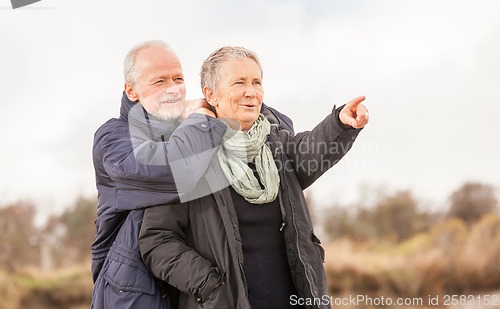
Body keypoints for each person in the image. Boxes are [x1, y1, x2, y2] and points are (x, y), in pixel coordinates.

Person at [139, 46, 369, 309]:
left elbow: (310, 151)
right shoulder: (188, 154)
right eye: (239, 83)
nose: (251, 92)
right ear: (210, 94)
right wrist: (208, 285)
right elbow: (156, 240)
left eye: (256, 82)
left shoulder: (278, 145)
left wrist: (341, 123)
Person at [90, 41, 294, 309]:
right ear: (132, 91)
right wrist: (204, 117)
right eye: (159, 81)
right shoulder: (113, 138)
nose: (173, 89)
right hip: (133, 294)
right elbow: (173, 170)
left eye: (178, 78)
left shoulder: (188, 127)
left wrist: (232, 102)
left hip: (185, 294)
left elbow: (281, 128)